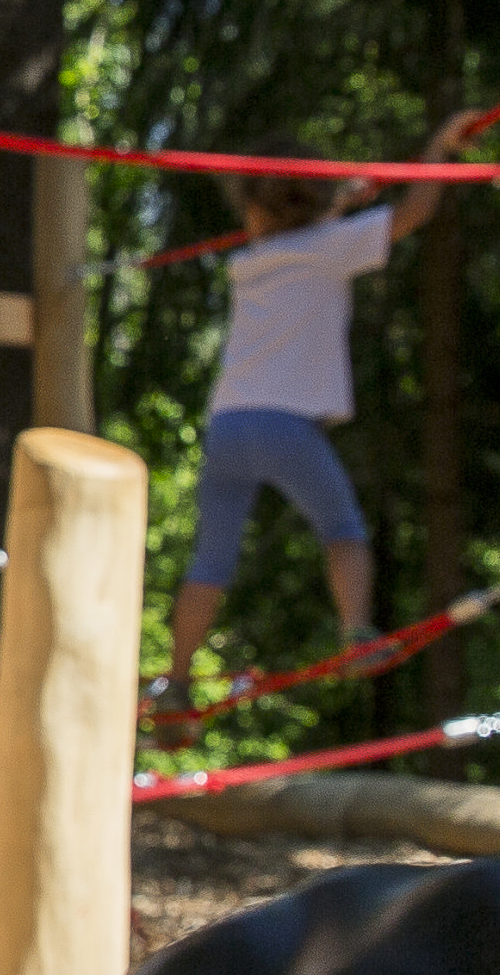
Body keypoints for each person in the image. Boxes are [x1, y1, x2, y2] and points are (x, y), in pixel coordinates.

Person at [163, 131, 456, 702]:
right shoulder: (332, 247)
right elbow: (414, 211)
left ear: (253, 209)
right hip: (288, 424)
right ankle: (355, 636)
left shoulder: (247, 262)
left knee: (212, 556)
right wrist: (438, 149)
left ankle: (175, 678)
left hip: (229, 424)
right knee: (342, 528)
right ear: (322, 205)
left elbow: (298, 227)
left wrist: (336, 203)